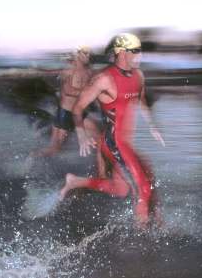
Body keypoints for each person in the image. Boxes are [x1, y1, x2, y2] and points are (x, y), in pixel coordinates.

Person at [60, 33, 165, 228]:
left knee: (122, 188)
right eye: (136, 51)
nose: (140, 56)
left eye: (140, 52)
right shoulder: (104, 79)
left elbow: (141, 100)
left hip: (125, 142)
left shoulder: (138, 76)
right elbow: (77, 108)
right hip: (113, 142)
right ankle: (146, 241)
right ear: (122, 53)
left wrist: (152, 125)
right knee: (144, 188)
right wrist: (82, 134)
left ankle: (75, 181)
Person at [31, 46, 106, 177]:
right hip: (65, 115)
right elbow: (68, 91)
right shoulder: (69, 71)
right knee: (55, 149)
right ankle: (32, 157)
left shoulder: (90, 71)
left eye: (89, 54)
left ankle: (101, 174)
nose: (88, 56)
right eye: (85, 53)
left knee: (100, 140)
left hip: (80, 114)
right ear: (78, 54)